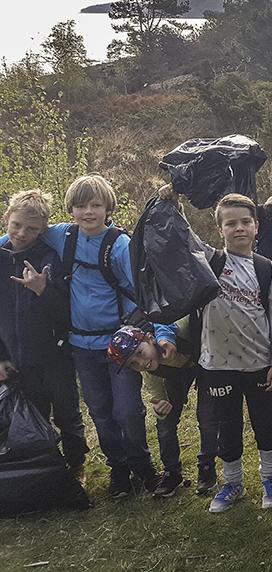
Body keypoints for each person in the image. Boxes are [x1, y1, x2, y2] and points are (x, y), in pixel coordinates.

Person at [14, 175, 177, 498]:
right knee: (100, 412)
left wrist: (163, 333)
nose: (88, 212)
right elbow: (22, 231)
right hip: (82, 346)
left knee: (128, 411)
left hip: (122, 348)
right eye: (79, 206)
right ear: (70, 210)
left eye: (95, 205)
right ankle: (118, 470)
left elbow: (149, 295)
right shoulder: (63, 236)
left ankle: (143, 467)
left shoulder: (119, 246)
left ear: (108, 208)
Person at [159, 188, 272, 512]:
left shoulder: (267, 269)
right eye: (231, 223)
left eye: (246, 221)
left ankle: (270, 479)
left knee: (266, 424)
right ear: (220, 230)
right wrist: (174, 205)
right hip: (217, 365)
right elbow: (185, 238)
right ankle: (232, 483)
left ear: (256, 225)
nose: (239, 228)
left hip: (258, 363)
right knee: (226, 428)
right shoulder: (208, 261)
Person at [0, 190, 87, 485]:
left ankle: (76, 467)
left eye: (32, 229)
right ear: (6, 220)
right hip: (18, 360)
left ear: (43, 230)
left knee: (67, 417)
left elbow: (66, 312)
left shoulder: (51, 258)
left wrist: (41, 290)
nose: (22, 233)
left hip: (55, 357)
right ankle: (45, 474)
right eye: (16, 226)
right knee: (32, 421)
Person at [105, 319, 216, 499]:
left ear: (150, 338)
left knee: (207, 418)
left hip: (207, 362)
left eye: (140, 353)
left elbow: (173, 321)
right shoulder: (151, 371)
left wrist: (167, 338)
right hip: (176, 375)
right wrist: (159, 409)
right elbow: (158, 398)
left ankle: (207, 467)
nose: (141, 363)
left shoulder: (176, 332)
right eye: (133, 364)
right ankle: (171, 473)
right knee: (165, 426)